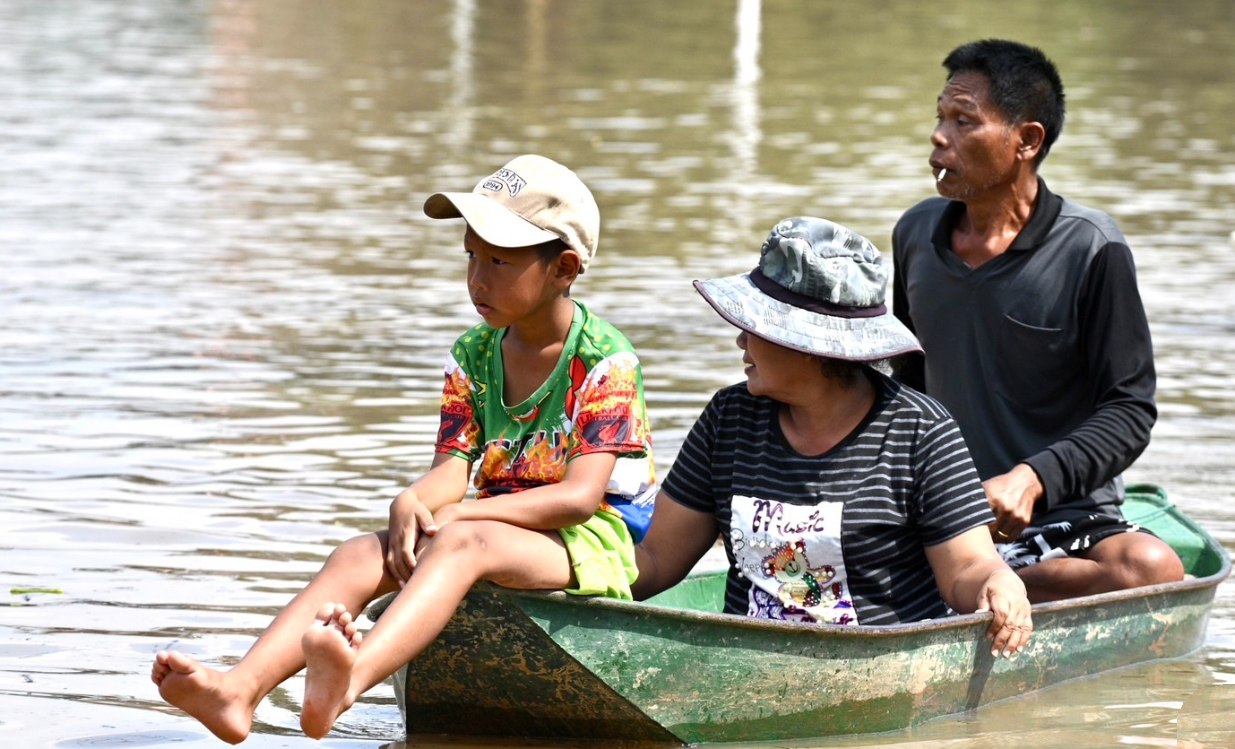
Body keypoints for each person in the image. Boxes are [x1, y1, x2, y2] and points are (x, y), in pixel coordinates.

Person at [151, 154, 656, 743]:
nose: (478, 278)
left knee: (461, 539)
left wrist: (461, 513)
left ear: (563, 268)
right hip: (496, 527)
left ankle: (349, 680)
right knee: (362, 554)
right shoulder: (473, 353)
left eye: (499, 260)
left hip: (588, 543)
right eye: (471, 255)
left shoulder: (604, 360)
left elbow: (576, 499)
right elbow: (452, 470)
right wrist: (413, 500)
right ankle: (240, 690)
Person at [632, 216, 1031, 657]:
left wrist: (998, 581)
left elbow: (967, 568)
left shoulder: (919, 431)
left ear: (809, 348)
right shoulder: (729, 418)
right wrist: (570, 566)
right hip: (743, 663)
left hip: (886, 668)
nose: (740, 340)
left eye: (755, 326)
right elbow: (655, 561)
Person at [890, 39, 1184, 603]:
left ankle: (984, 591)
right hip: (947, 523)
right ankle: (966, 583)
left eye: (963, 121)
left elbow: (1129, 410)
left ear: (1026, 140)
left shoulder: (1092, 248)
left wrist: (1033, 478)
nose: (938, 136)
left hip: (1061, 519)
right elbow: (906, 388)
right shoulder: (914, 235)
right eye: (940, 116)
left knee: (1150, 568)